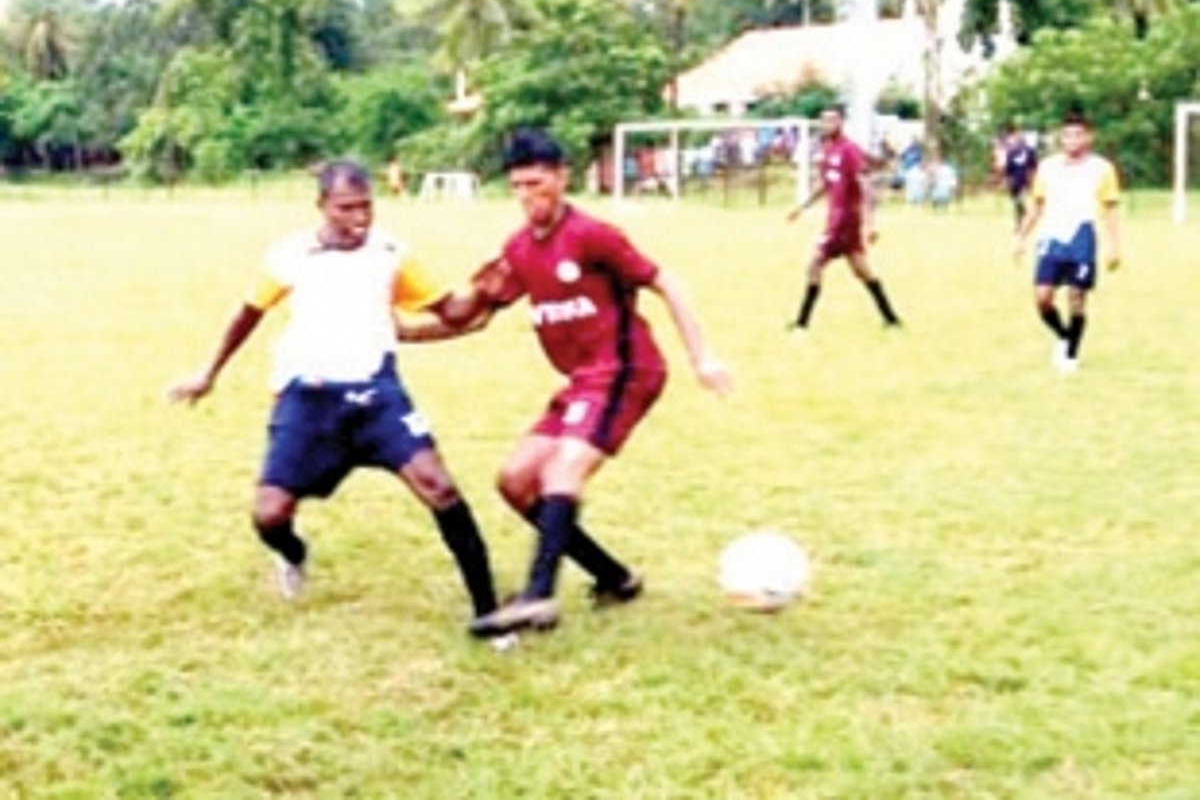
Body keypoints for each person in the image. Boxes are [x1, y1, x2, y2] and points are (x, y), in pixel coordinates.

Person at [395, 129, 734, 637]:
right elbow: (477, 317)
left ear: (561, 178)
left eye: (536, 183)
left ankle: (539, 594)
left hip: (627, 371)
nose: (527, 196)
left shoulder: (594, 235)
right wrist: (405, 333)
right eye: (517, 186)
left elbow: (665, 281)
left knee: (563, 466)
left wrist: (702, 357)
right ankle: (614, 577)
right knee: (515, 482)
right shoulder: (518, 249)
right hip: (582, 383)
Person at [166, 160, 502, 636]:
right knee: (269, 515)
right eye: (346, 208)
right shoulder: (289, 256)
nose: (359, 217)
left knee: (440, 487)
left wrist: (489, 294)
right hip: (308, 398)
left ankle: (490, 615)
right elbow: (246, 316)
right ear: (322, 205)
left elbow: (451, 312)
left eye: (366, 206)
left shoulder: (392, 253)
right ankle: (293, 554)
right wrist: (208, 373)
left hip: (378, 395)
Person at [1013, 109, 1121, 374]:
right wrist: (1020, 237)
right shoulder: (1048, 167)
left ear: (1088, 137)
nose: (1072, 140)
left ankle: (1071, 354)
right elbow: (1036, 206)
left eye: (1078, 135)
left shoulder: (1102, 169)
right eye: (1067, 135)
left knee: (1076, 297)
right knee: (1042, 298)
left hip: (1082, 236)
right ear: (1061, 138)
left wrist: (1114, 245)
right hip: (1052, 236)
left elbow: (1110, 209)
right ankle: (1063, 336)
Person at [785, 103, 902, 331]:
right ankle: (891, 319)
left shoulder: (849, 150)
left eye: (831, 120)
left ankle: (801, 324)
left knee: (814, 264)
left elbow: (864, 184)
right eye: (823, 120)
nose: (826, 124)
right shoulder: (828, 150)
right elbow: (826, 184)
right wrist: (802, 208)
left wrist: (870, 223)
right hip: (836, 220)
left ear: (841, 123)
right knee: (861, 270)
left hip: (844, 222)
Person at [1001, 123, 1038, 230]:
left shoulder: (1028, 150)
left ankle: (1023, 222)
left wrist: (1032, 178)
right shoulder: (1012, 151)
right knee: (1017, 203)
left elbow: (1033, 166)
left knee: (1021, 201)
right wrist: (1007, 180)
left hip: (1024, 181)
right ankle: (1021, 222)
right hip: (1016, 181)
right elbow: (1008, 168)